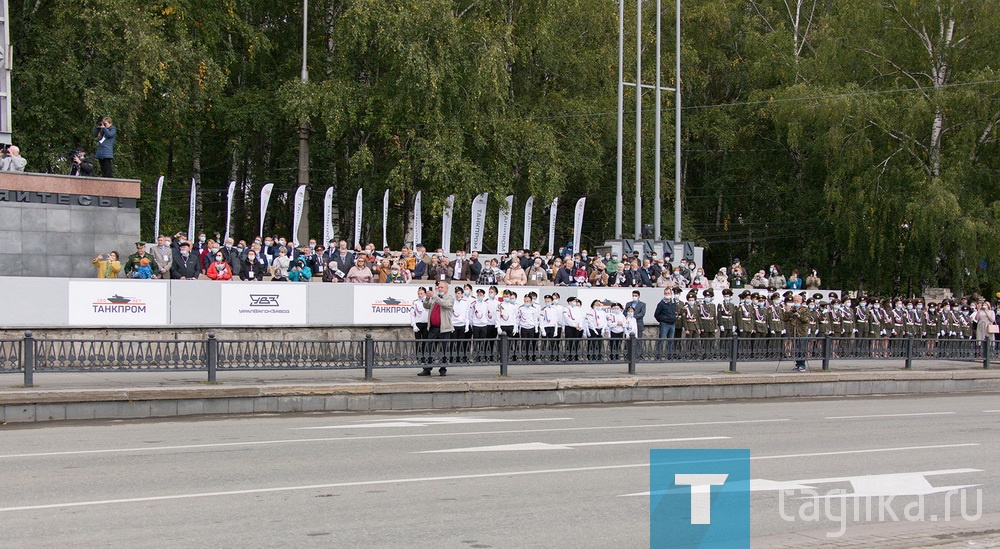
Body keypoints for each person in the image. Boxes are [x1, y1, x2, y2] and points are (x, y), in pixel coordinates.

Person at [419, 280, 454, 376]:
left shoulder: (449, 298)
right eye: (438, 287)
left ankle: (443, 369)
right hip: (433, 328)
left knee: (443, 349)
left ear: (447, 289)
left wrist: (434, 296)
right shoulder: (435, 298)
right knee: (429, 348)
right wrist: (427, 298)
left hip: (444, 328)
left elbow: (445, 304)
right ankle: (427, 368)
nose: (440, 289)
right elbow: (426, 306)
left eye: (442, 287)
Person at [782, 295, 811, 371]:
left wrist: (799, 316)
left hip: (802, 332)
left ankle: (802, 364)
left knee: (802, 349)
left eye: (797, 300)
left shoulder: (805, 309)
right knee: (796, 349)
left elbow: (806, 320)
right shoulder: (791, 309)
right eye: (795, 300)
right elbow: (784, 319)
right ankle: (797, 364)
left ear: (801, 301)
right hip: (794, 332)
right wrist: (787, 312)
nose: (796, 302)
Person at [653, 288, 677, 358]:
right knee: (662, 339)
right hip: (664, 324)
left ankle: (669, 355)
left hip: (672, 324)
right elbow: (656, 314)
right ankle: (659, 355)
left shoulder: (673, 303)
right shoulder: (661, 304)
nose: (667, 295)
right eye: (666, 293)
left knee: (670, 340)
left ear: (671, 294)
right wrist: (662, 320)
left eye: (668, 293)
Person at [411, 287, 431, 364]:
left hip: (426, 323)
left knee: (425, 341)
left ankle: (424, 357)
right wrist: (414, 325)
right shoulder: (415, 302)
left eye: (421, 293)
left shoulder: (429, 302)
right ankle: (419, 357)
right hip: (418, 323)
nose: (420, 295)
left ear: (425, 294)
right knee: (418, 341)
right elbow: (412, 314)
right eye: (419, 294)